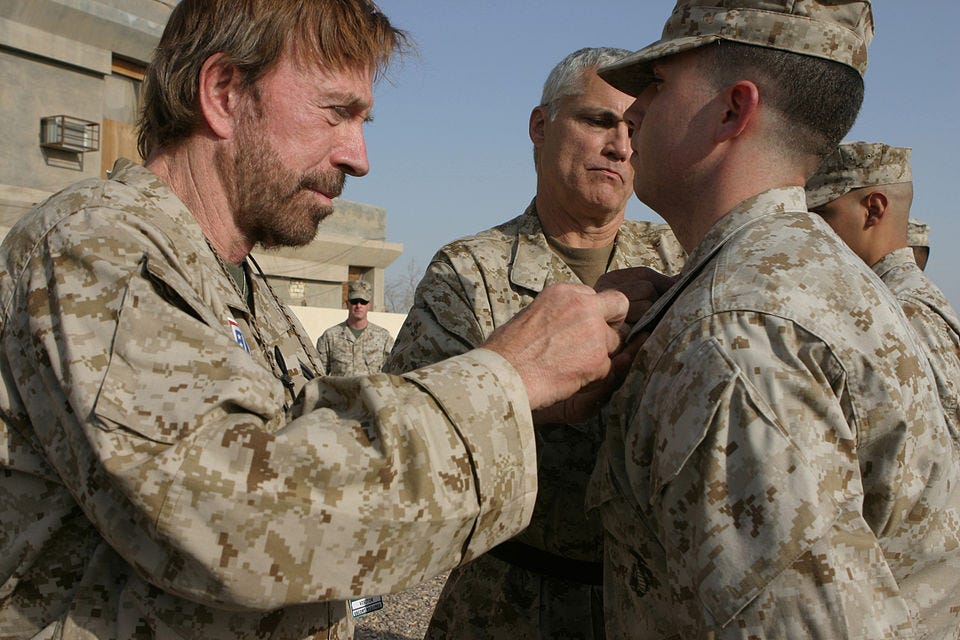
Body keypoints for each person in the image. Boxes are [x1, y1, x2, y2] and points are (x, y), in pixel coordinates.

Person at [0, 2, 642, 638]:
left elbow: (305, 440)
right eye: (337, 114)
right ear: (223, 92)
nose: (358, 157)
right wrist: (507, 381)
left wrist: (524, 407)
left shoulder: (235, 278)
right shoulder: (99, 248)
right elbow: (232, 521)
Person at [586, 1, 960, 638]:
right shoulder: (808, 276)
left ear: (734, 109)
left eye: (658, 84)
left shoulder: (736, 332)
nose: (632, 111)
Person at [386, 47, 685, 639]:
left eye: (636, 127)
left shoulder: (679, 260)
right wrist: (530, 397)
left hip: (649, 610)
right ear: (541, 127)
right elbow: (414, 439)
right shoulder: (467, 271)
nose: (620, 146)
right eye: (599, 120)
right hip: (508, 604)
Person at [806, 140, 960, 441]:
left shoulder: (898, 310)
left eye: (822, 215)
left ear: (873, 210)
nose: (810, 230)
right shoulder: (891, 298)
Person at [317, 280, 395, 375]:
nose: (358, 306)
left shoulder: (383, 337)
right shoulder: (330, 337)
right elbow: (318, 376)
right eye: (354, 301)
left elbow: (392, 375)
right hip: (340, 390)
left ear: (368, 305)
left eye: (363, 302)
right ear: (347, 304)